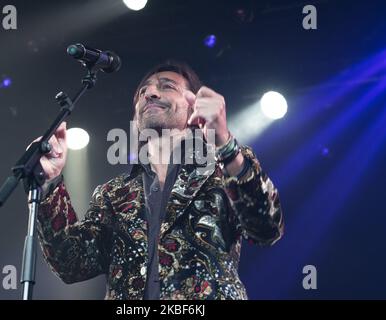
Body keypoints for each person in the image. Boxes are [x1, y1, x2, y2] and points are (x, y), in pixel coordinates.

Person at [34, 61, 284, 300]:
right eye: (143, 91)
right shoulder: (114, 192)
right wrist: (50, 183)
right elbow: (72, 264)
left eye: (167, 86)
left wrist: (225, 144)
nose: (150, 93)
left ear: (193, 107)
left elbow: (267, 229)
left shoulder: (224, 169)